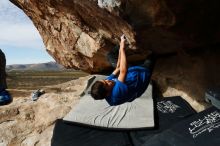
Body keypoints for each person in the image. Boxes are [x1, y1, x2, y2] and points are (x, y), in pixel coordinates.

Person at [91, 35, 155, 106]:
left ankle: (124, 42)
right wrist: (122, 49)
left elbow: (118, 68)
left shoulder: (106, 86)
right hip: (141, 77)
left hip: (129, 73)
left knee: (110, 56)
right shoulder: (117, 94)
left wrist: (121, 48)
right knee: (151, 58)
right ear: (107, 93)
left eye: (104, 80)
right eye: (106, 83)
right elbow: (123, 71)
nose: (107, 80)